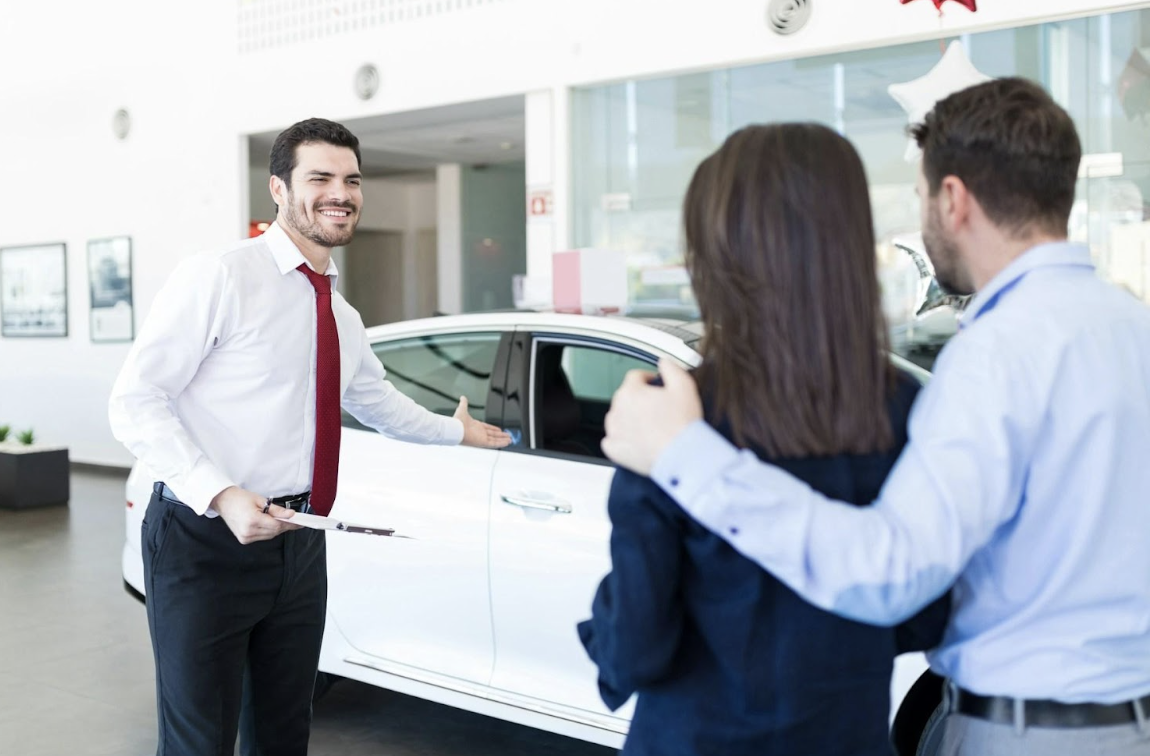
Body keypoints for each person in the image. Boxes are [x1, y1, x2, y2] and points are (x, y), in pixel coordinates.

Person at [601, 79, 1150, 755]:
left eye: (919, 197)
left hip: (1020, 731)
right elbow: (923, 611)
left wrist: (684, 455)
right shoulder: (1133, 330)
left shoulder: (993, 356)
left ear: (953, 200)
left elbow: (890, 576)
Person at [109, 117, 510, 756]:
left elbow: (378, 403)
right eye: (319, 177)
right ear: (278, 188)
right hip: (203, 539)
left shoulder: (339, 313)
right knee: (199, 743)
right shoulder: (220, 276)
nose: (340, 193)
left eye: (351, 180)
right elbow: (135, 401)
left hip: (300, 540)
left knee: (283, 734)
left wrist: (453, 432)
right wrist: (221, 493)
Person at [577, 123, 948, 755]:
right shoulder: (911, 409)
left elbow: (636, 648)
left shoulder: (672, 412)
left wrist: (602, 632)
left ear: (717, 253)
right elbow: (925, 613)